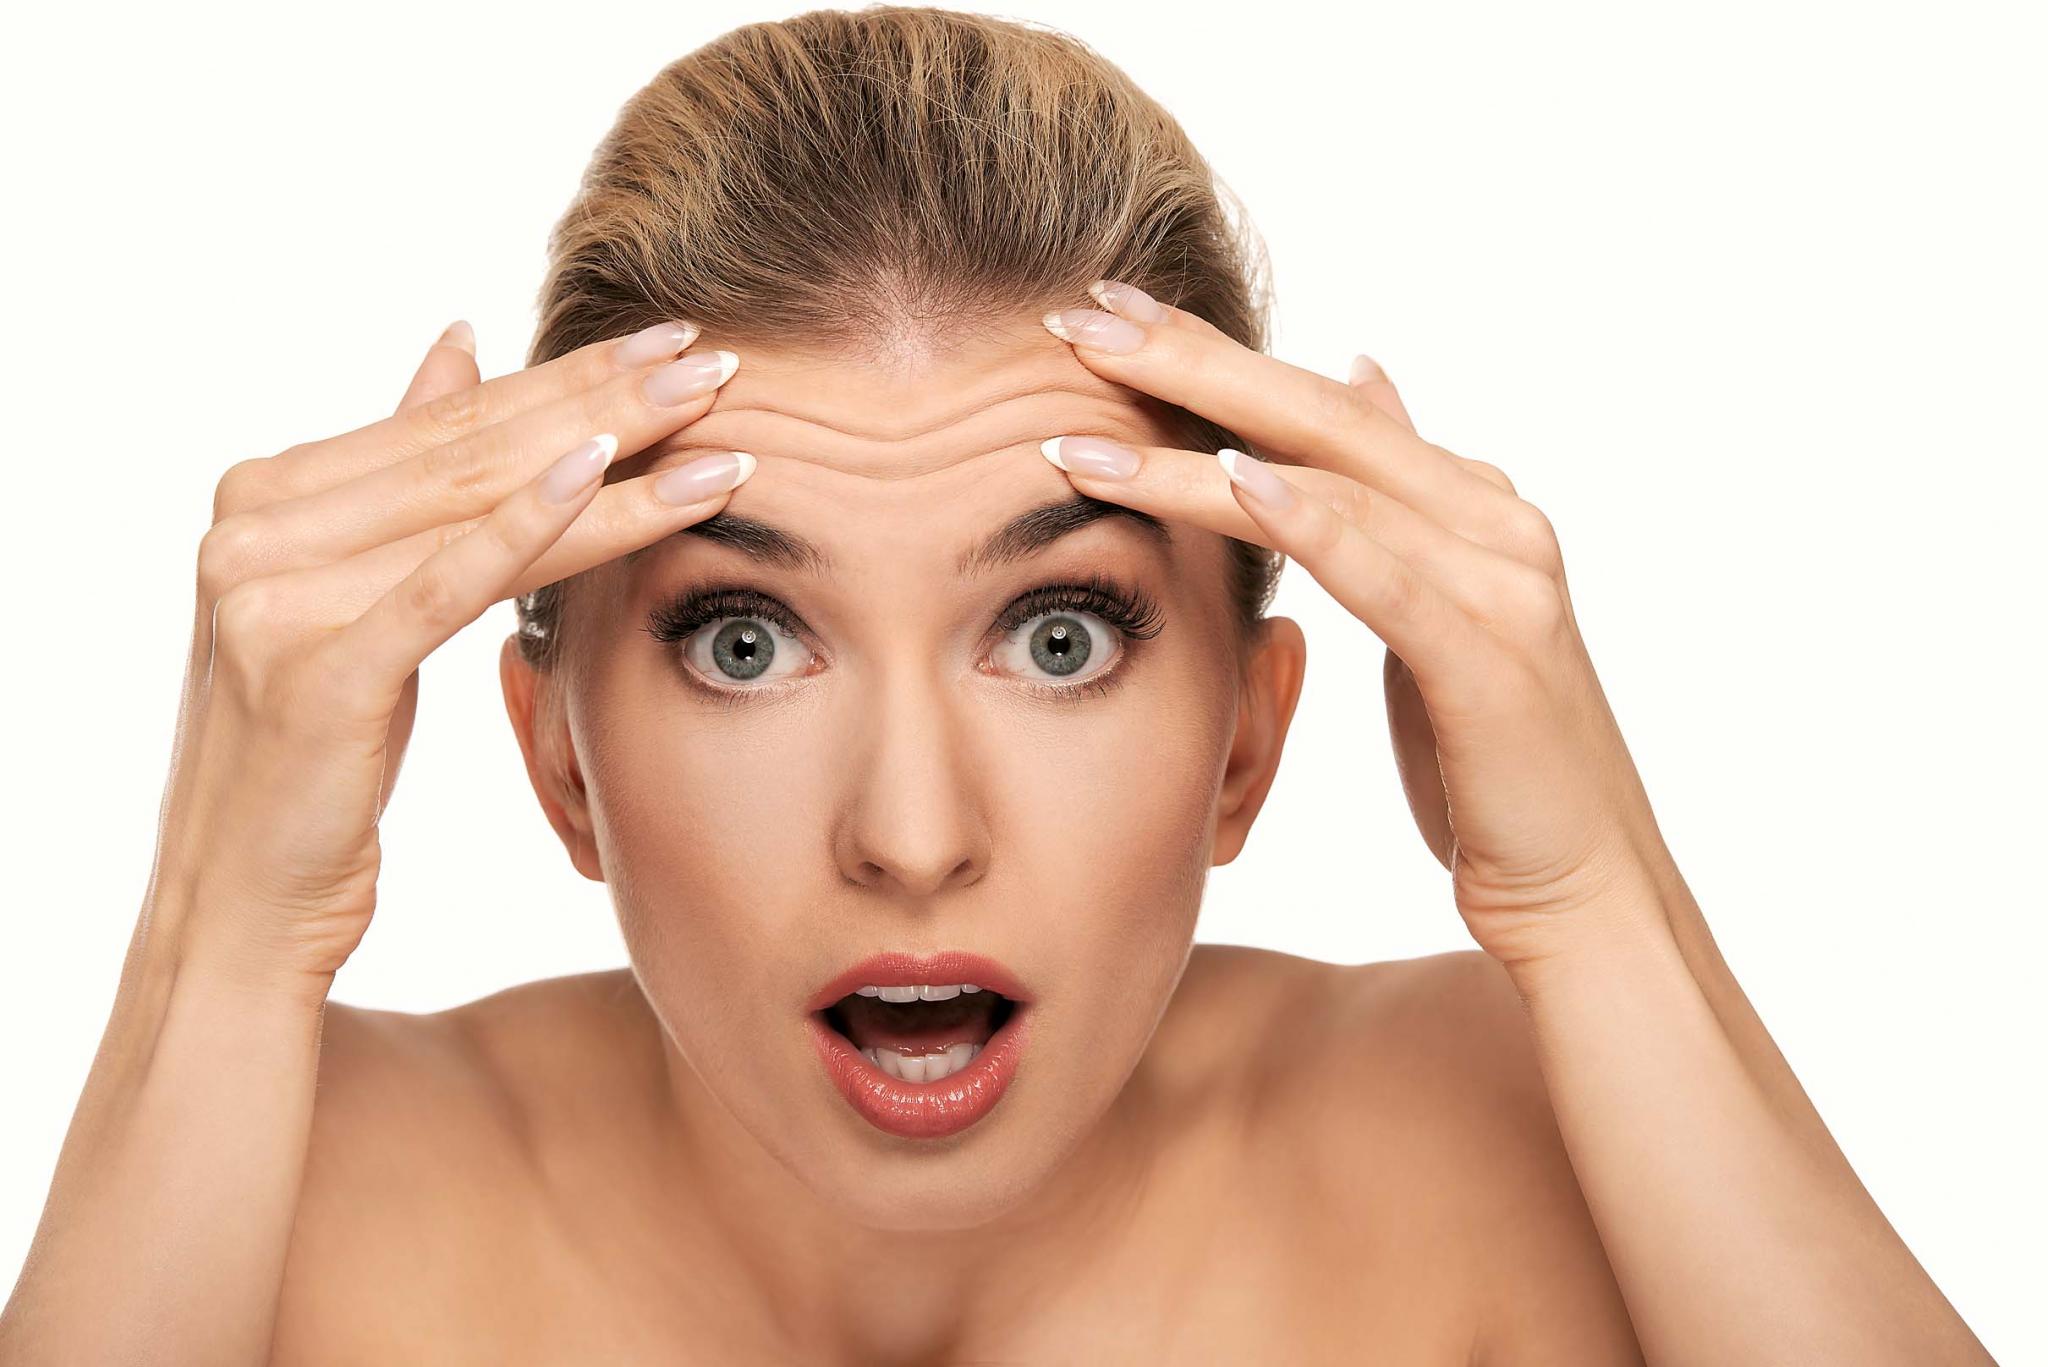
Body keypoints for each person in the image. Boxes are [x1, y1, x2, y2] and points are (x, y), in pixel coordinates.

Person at [0, 7, 1995, 1363]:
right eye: (745, 640)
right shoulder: (288, 1195)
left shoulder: (1505, 1144)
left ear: (1246, 743)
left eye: (1059, 636)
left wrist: (1596, 907)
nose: (913, 834)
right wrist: (223, 933)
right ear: (560, 764)